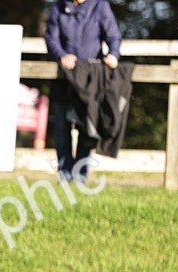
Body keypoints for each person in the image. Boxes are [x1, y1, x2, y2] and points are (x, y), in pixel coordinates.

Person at [44, 0, 122, 183]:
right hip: (63, 77)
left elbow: (113, 34)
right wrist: (61, 55)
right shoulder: (58, 8)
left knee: (87, 128)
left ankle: (80, 176)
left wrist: (113, 54)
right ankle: (64, 175)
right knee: (62, 127)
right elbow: (51, 38)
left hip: (90, 79)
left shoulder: (100, 6)